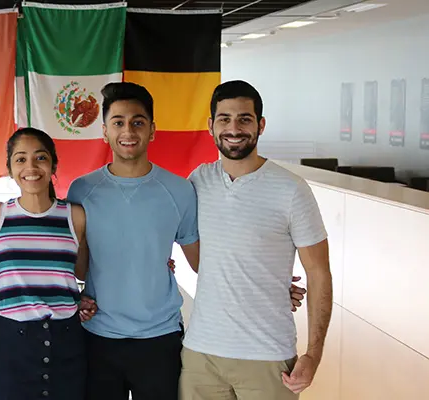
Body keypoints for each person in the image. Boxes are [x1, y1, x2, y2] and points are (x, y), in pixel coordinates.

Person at [67, 82, 306, 400]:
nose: (129, 131)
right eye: (119, 122)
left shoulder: (179, 190)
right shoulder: (82, 190)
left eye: (138, 122)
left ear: (152, 130)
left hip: (160, 339)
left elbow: (203, 264)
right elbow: (79, 267)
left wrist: (270, 285)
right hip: (98, 336)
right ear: (105, 131)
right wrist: (75, 296)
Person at [179, 80, 333, 400]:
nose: (234, 128)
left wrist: (313, 355)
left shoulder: (291, 189)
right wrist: (267, 281)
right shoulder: (198, 181)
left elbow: (319, 273)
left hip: (267, 357)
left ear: (260, 125)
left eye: (244, 119)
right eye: (224, 119)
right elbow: (202, 263)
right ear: (210, 126)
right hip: (200, 355)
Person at [0, 128, 96, 400]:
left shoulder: (74, 215)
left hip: (66, 341)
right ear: (9, 168)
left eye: (40, 158)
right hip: (11, 343)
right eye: (20, 159)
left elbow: (81, 271)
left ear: (54, 164)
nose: (31, 167)